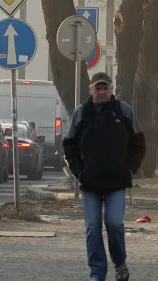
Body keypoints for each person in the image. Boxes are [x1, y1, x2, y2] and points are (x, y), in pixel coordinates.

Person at [63, 72, 146, 281]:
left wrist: (129, 170)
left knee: (114, 224)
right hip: (90, 183)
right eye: (98, 88)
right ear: (91, 90)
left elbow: (139, 143)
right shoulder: (81, 113)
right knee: (92, 228)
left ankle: (120, 263)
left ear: (112, 90)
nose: (102, 92)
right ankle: (97, 273)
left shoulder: (123, 111)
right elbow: (69, 145)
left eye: (106, 88)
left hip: (117, 182)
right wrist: (79, 171)